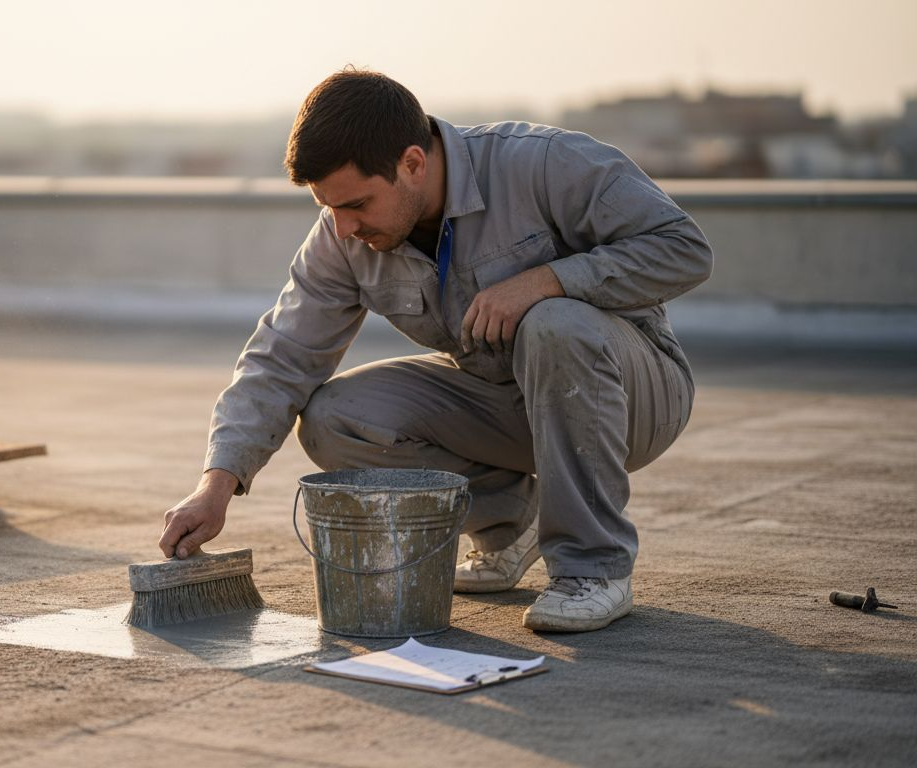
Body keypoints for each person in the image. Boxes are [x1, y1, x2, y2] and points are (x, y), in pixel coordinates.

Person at [158, 69, 713, 632]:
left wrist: (546, 281)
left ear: (413, 163)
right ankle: (508, 523)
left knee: (554, 323)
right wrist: (216, 485)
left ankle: (593, 570)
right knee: (333, 418)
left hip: (634, 396)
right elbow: (281, 357)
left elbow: (685, 249)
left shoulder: (543, 164)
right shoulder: (340, 236)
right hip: (505, 403)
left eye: (357, 204)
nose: (344, 228)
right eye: (330, 208)